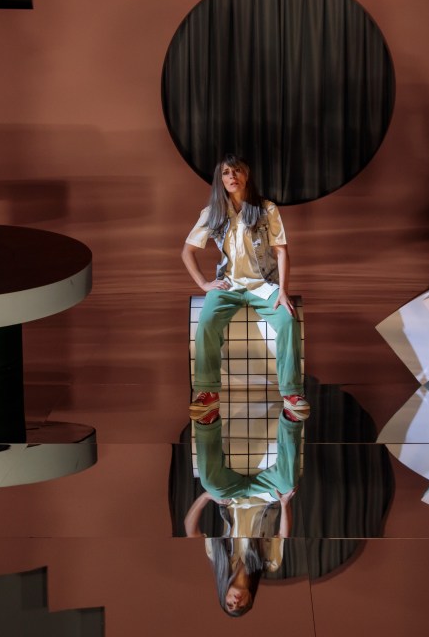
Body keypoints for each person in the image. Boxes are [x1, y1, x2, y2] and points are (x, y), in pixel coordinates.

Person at [180, 153, 310, 425]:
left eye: (237, 171)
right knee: (206, 322)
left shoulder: (266, 209)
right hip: (228, 285)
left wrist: (283, 291)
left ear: (246, 175)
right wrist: (204, 284)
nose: (232, 177)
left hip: (263, 285)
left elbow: (282, 252)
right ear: (221, 179)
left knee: (288, 320)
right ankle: (208, 393)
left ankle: (291, 394)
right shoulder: (213, 212)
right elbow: (187, 251)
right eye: (226, 173)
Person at [183, 408, 303, 617]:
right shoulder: (269, 564)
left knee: (209, 483)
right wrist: (284, 504)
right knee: (288, 483)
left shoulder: (218, 557)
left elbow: (190, 530)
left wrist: (206, 497)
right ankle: (291, 418)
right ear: (250, 599)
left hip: (233, 498)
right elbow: (283, 534)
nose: (236, 601)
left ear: (224, 594)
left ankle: (207, 421)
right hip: (266, 499)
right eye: (241, 605)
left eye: (229, 603)